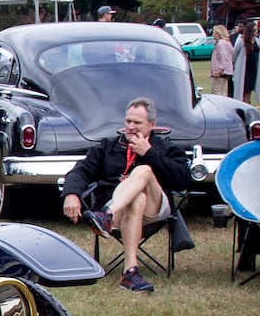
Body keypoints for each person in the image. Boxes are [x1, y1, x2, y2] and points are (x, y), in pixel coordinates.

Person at [60, 97, 192, 293]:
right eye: (128, 121)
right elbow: (80, 171)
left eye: (137, 123)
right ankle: (130, 273)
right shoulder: (107, 147)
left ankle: (106, 214)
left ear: (152, 125)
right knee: (136, 199)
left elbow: (183, 180)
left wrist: (149, 153)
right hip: (123, 211)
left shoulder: (166, 148)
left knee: (144, 170)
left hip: (154, 210)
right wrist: (71, 194)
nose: (131, 127)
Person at [233, 20, 258, 104]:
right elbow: (234, 54)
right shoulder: (241, 41)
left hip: (253, 69)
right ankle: (243, 104)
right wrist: (234, 64)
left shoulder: (256, 41)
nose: (256, 32)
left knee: (249, 89)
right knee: (242, 88)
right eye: (254, 30)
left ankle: (247, 102)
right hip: (244, 69)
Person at [210, 25, 234, 96]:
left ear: (218, 34)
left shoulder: (221, 44)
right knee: (221, 90)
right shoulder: (227, 43)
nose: (213, 35)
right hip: (226, 71)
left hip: (221, 72)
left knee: (216, 91)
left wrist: (220, 70)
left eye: (214, 33)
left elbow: (224, 58)